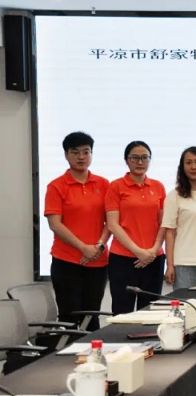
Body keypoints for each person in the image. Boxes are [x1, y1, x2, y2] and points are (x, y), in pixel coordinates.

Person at [44, 132, 110, 330]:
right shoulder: (56, 186)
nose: (81, 157)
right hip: (66, 261)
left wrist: (98, 246)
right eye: (75, 152)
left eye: (86, 152)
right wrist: (83, 248)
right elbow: (55, 224)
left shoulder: (103, 184)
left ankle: (92, 351)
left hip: (98, 261)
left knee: (92, 317)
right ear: (66, 155)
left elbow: (111, 221)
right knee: (69, 318)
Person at [105, 141, 166, 314]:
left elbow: (163, 223)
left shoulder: (158, 186)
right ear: (126, 160)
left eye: (145, 158)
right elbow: (112, 224)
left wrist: (153, 250)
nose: (140, 162)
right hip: (123, 259)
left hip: (154, 258)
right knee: (122, 311)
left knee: (151, 311)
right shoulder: (116, 186)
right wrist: (138, 251)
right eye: (135, 158)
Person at [162, 146, 196, 289]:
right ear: (182, 167)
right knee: (186, 303)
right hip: (184, 264)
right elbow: (170, 233)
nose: (193, 167)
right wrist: (170, 265)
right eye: (188, 162)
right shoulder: (175, 195)